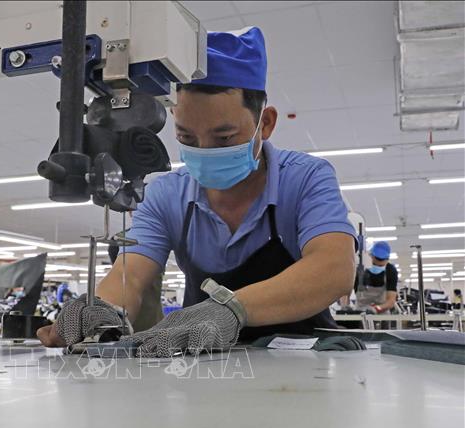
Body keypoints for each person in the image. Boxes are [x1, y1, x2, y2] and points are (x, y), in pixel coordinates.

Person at [38, 27, 356, 356]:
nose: (204, 151)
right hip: (204, 364)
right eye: (187, 138)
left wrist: (233, 309)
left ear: (266, 123)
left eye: (224, 138)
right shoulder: (166, 195)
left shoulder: (305, 178)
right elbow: (129, 276)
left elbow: (334, 269)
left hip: (304, 362)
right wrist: (102, 310)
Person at [354, 241, 398, 313]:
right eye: (375, 263)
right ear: (371, 256)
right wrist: (345, 306)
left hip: (382, 312)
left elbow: (391, 301)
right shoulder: (360, 269)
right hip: (360, 312)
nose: (377, 265)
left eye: (380, 265)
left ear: (387, 259)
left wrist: (377, 308)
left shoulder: (390, 271)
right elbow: (346, 290)